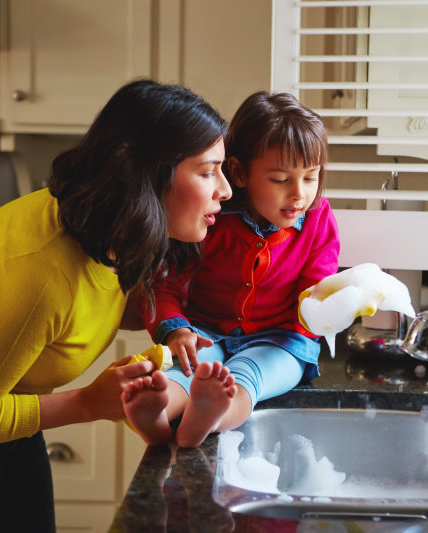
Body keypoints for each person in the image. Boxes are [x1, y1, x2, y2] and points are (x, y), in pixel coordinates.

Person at [0, 78, 232, 533]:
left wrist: (170, 327)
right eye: (208, 170)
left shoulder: (110, 227)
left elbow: (103, 303)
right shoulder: (41, 274)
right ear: (150, 174)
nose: (226, 189)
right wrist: (90, 402)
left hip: (7, 419)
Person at [124, 91, 340, 448]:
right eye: (280, 179)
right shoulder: (209, 218)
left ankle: (211, 416)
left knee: (247, 379)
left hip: (280, 338)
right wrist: (176, 332)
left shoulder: (318, 218)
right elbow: (164, 286)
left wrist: (329, 306)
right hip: (205, 329)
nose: (299, 195)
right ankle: (157, 412)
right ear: (239, 173)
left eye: (310, 177)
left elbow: (316, 287)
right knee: (185, 369)